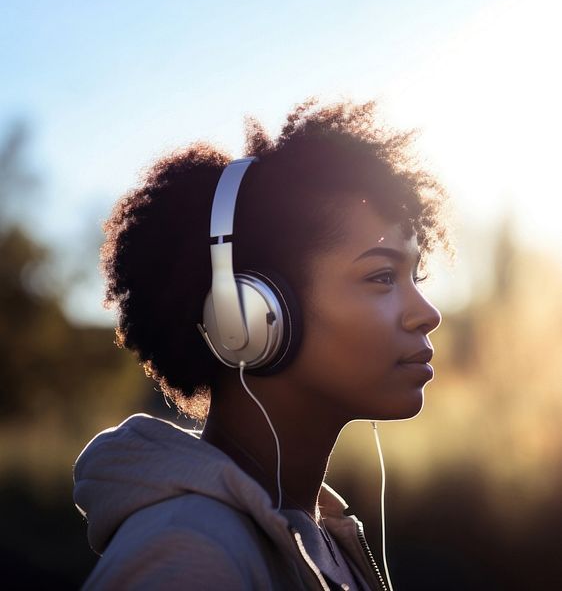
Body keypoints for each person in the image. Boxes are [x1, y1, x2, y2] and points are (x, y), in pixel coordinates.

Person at [74, 100, 448, 590]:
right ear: (246, 316)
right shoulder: (186, 557)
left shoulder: (316, 532)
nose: (428, 313)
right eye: (381, 276)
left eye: (414, 276)